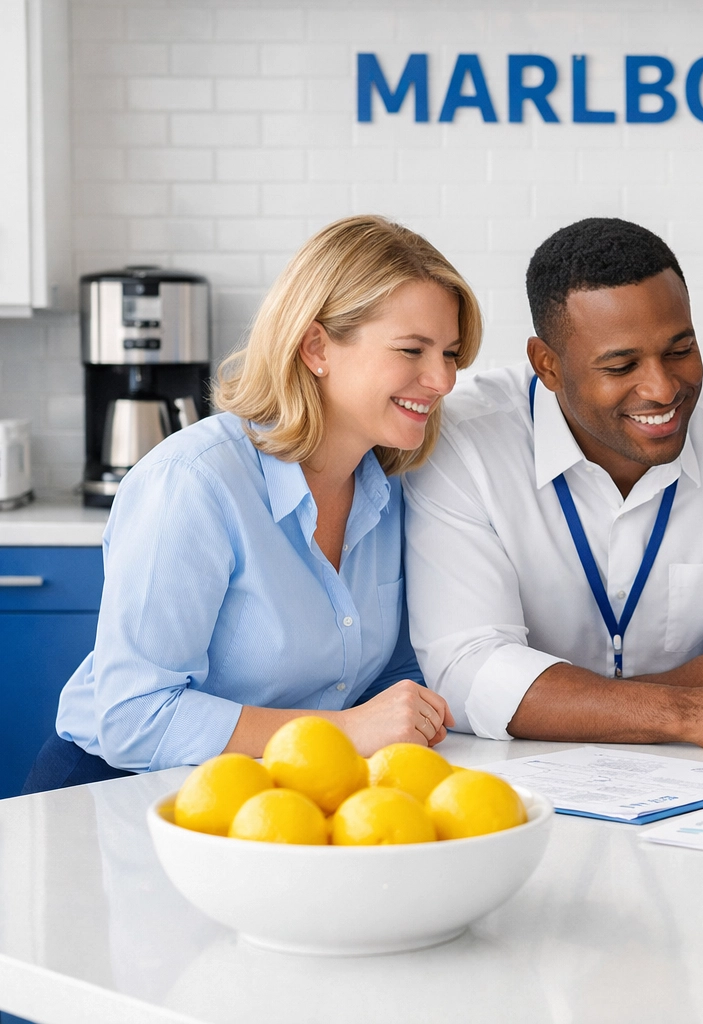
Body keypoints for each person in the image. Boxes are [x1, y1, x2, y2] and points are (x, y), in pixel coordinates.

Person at [27, 215, 475, 791]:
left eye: (452, 354)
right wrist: (340, 732)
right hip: (114, 791)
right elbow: (134, 717)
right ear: (316, 346)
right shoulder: (194, 482)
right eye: (412, 349)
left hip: (274, 794)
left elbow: (387, 684)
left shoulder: (393, 488)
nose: (441, 380)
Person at [404, 217, 703, 750]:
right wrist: (685, 712)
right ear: (548, 366)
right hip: (523, 781)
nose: (662, 388)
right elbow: (467, 669)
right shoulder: (464, 443)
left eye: (680, 350)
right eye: (621, 365)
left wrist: (586, 707)